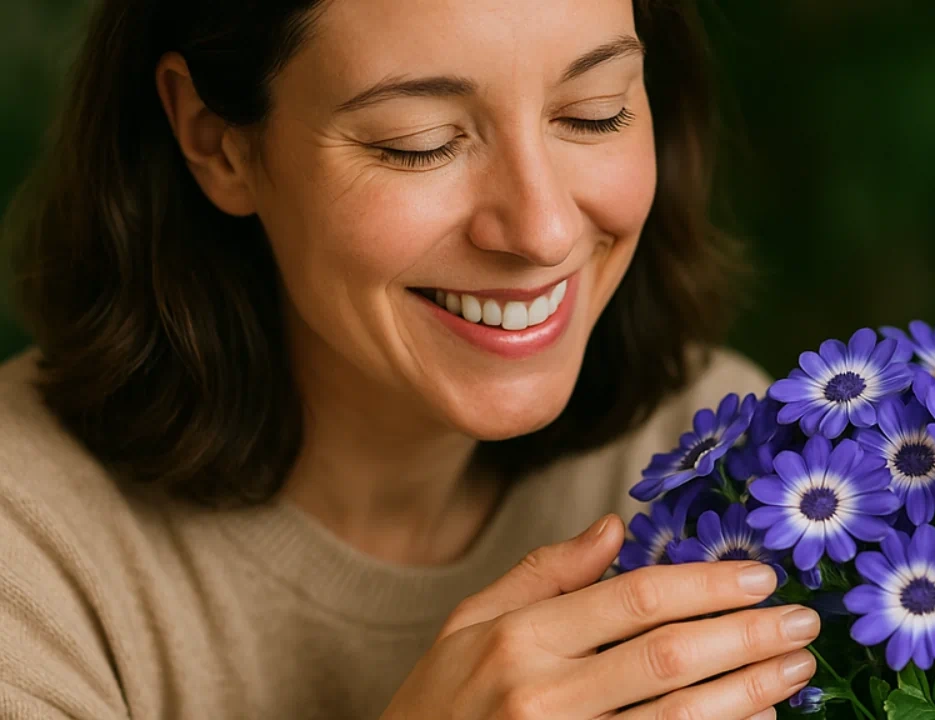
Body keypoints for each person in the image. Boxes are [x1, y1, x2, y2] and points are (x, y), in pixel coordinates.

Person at [0, 0, 822, 718]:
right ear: (217, 142)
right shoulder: (29, 554)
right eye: (418, 144)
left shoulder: (721, 455)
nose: (542, 231)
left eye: (593, 114)